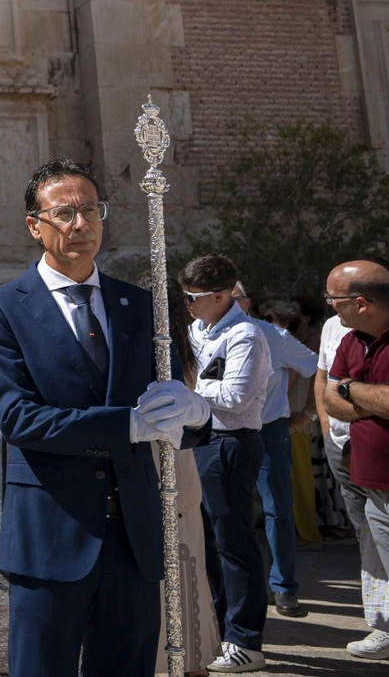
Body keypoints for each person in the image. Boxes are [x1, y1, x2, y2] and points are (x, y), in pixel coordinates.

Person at [0, 158, 211, 677]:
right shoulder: (1, 309)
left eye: (91, 210)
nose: (81, 225)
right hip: (53, 532)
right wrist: (126, 424)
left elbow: (168, 410)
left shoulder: (140, 305)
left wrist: (195, 413)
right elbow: (18, 419)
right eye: (65, 213)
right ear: (35, 225)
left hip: (136, 535)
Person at [181, 254, 272, 673]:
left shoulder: (246, 335)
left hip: (231, 442)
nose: (187, 304)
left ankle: (246, 640)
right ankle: (220, 629)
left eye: (193, 297)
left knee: (235, 543)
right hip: (200, 440)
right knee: (210, 543)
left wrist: (189, 390)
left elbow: (235, 398)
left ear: (220, 296)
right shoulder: (197, 329)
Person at [315, 269, 389, 660]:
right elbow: (330, 399)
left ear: (361, 304)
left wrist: (352, 388)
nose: (329, 306)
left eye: (332, 299)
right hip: (373, 484)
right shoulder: (350, 340)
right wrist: (372, 399)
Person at [154, 281, 222, 675]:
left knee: (181, 560)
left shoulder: (173, 354)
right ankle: (189, 660)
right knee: (183, 559)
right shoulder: (184, 348)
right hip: (179, 458)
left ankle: (188, 659)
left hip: (168, 458)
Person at [249, 297, 319, 617]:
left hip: (269, 432)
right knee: (226, 514)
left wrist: (309, 412)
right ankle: (244, 586)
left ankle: (283, 587)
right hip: (218, 435)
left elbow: (318, 366)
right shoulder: (198, 332)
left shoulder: (274, 337)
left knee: (277, 511)